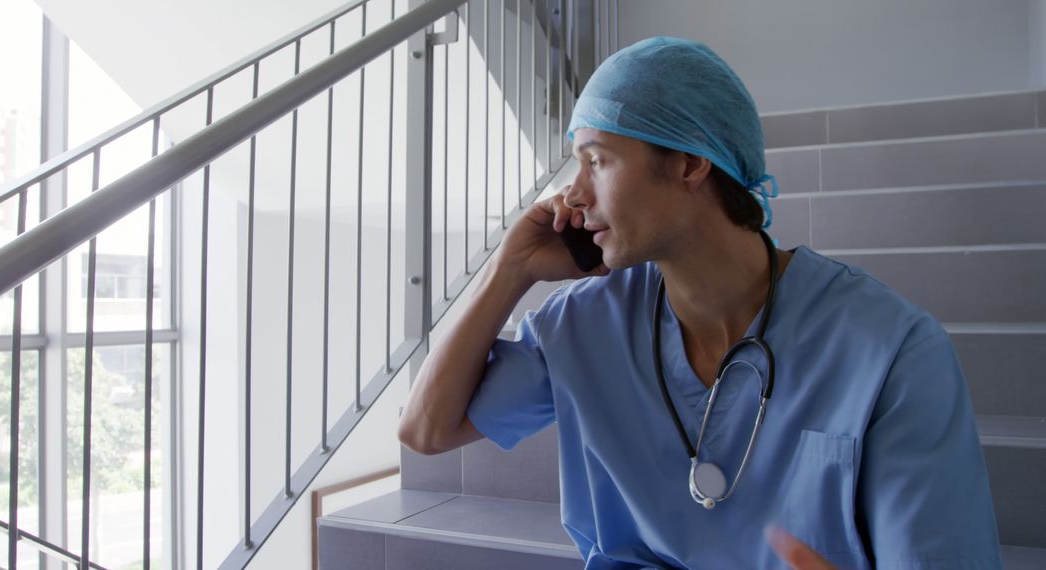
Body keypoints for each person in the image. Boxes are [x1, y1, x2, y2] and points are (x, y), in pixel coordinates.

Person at [398, 36, 1002, 569]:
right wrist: (511, 268)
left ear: (689, 161)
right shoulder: (583, 324)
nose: (573, 196)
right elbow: (427, 430)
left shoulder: (890, 351)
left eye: (597, 160)